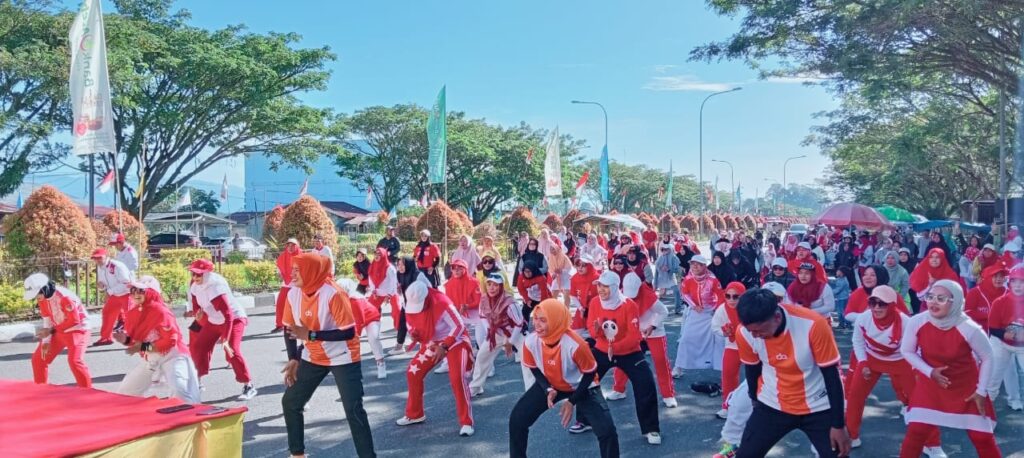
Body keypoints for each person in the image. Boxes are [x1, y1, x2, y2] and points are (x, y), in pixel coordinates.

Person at [734, 288, 851, 458]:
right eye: (751, 331)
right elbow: (752, 369)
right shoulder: (745, 332)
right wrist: (755, 402)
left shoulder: (813, 324)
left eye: (760, 330)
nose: (755, 336)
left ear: (777, 317)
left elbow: (832, 376)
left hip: (818, 406)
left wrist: (839, 424)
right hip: (773, 403)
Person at [281, 253, 377, 458]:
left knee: (353, 411)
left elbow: (349, 332)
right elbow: (289, 329)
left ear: (311, 272)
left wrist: (311, 335)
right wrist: (293, 358)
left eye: (297, 270)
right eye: (293, 269)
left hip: (343, 356)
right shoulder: (293, 294)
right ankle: (297, 454)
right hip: (312, 355)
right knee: (291, 402)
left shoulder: (334, 293)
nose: (292, 273)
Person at [898, 280, 1001, 458]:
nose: (933, 302)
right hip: (931, 385)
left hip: (966, 388)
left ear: (955, 302)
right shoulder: (917, 321)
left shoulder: (969, 328)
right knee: (917, 431)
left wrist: (981, 391)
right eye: (930, 297)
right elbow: (906, 351)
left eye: (941, 298)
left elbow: (988, 356)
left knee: (982, 438)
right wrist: (930, 372)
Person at [509, 298, 619, 458]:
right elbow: (533, 367)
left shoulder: (576, 344)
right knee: (517, 420)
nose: (537, 325)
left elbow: (589, 374)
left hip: (582, 386)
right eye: (536, 319)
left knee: (607, 431)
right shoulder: (531, 341)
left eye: (543, 320)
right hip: (552, 383)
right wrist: (547, 388)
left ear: (555, 321)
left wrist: (572, 401)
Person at [846, 286, 942, 453]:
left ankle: (932, 444)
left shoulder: (905, 322)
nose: (876, 308)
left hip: (901, 360)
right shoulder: (863, 318)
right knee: (855, 396)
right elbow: (858, 341)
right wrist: (862, 363)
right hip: (872, 359)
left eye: (882, 304)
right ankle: (851, 436)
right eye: (872, 303)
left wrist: (919, 370)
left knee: (919, 400)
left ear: (891, 305)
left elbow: (915, 349)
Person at [572, 271, 661, 445]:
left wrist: (615, 347)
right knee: (587, 380)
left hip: (629, 351)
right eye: (599, 285)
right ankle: (583, 420)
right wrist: (597, 331)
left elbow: (634, 335)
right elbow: (591, 328)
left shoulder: (628, 305)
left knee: (646, 383)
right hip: (603, 349)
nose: (601, 290)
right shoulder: (595, 302)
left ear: (613, 288)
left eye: (605, 286)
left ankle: (651, 429)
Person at [396, 279, 476, 437]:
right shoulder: (410, 302)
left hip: (455, 341)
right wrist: (415, 335)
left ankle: (467, 422)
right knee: (413, 373)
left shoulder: (442, 302)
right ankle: (415, 414)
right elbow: (416, 326)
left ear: (426, 298)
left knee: (456, 378)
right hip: (433, 342)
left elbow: (459, 326)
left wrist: (445, 346)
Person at [115, 276, 201, 404]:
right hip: (151, 359)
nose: (135, 294)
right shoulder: (133, 313)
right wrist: (126, 340)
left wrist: (142, 347)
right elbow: (135, 341)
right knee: (126, 391)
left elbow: (169, 342)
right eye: (133, 290)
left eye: (140, 290)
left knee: (180, 392)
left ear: (151, 293)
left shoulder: (161, 311)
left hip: (173, 356)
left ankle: (189, 420)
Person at [186, 259, 256, 400]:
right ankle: (197, 382)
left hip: (234, 319)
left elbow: (229, 315)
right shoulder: (195, 286)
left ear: (207, 274)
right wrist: (197, 312)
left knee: (231, 349)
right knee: (199, 347)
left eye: (199, 274)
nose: (195, 277)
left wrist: (225, 338)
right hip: (214, 320)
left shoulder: (215, 287)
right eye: (193, 274)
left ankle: (248, 385)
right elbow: (195, 303)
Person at [609, 273, 676, 408]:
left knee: (661, 361)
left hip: (654, 331)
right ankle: (618, 389)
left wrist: (653, 325)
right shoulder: (620, 295)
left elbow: (664, 311)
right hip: (633, 331)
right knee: (622, 359)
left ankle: (668, 395)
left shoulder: (648, 294)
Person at [24, 273, 91, 388]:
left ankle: (87, 393)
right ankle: (41, 391)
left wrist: (50, 331)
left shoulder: (64, 297)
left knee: (75, 362)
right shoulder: (42, 298)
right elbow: (47, 319)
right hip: (58, 330)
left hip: (78, 331)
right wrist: (46, 342)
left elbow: (74, 321)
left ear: (44, 289)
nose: (36, 298)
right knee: (39, 359)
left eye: (36, 294)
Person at [470, 273, 526, 396]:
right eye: (489, 284)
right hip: (496, 333)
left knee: (527, 359)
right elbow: (482, 315)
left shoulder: (510, 302)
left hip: (514, 332)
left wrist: (510, 342)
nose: (492, 288)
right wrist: (489, 329)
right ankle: (475, 387)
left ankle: (532, 389)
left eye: (495, 285)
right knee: (482, 357)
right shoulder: (484, 299)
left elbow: (519, 323)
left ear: (501, 286)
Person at [674, 255, 725, 377]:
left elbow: (721, 296)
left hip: (710, 313)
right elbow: (684, 293)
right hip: (695, 312)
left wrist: (717, 311)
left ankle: (723, 368)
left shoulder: (713, 280)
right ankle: (678, 367)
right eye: (692, 264)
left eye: (698, 264)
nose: (694, 266)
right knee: (685, 338)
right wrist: (693, 306)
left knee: (718, 339)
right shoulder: (688, 279)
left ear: (704, 266)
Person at [985, 265, 1024, 411]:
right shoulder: (1000, 302)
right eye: (1015, 282)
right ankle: (986, 412)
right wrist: (1005, 334)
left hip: (1022, 346)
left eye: (1022, 282)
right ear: (1010, 283)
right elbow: (993, 327)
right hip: (1001, 342)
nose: (1018, 285)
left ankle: (1015, 399)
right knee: (994, 377)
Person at [337, 278, 387, 380]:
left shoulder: (355, 299)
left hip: (372, 317)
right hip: (359, 320)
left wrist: (355, 335)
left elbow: (360, 319)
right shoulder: (341, 299)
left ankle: (381, 362)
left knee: (373, 338)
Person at [711, 281, 746, 419]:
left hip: (752, 347)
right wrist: (723, 333)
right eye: (728, 296)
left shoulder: (750, 307)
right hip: (732, 346)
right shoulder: (722, 309)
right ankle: (728, 405)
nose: (731, 300)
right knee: (728, 375)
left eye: (736, 297)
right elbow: (715, 326)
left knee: (757, 377)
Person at [91, 247, 134, 346]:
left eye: (99, 257)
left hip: (126, 293)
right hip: (115, 294)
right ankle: (106, 338)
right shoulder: (100, 267)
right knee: (107, 313)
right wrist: (101, 286)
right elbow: (104, 283)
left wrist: (109, 292)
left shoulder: (117, 266)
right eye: (95, 258)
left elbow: (126, 283)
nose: (97, 260)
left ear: (106, 256)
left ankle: (135, 337)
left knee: (131, 316)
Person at [445, 258, 485, 349]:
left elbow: (479, 301)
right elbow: (448, 303)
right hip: (460, 314)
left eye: (459, 268)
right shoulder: (449, 284)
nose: (456, 270)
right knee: (459, 339)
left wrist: (467, 306)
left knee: (481, 340)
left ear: (465, 269)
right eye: (453, 268)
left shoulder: (474, 282)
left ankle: (483, 359)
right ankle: (466, 356)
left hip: (476, 314)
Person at [389, 257, 419, 356]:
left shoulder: (417, 274)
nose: (400, 267)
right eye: (398, 265)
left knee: (420, 326)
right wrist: (399, 290)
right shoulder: (399, 274)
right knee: (402, 322)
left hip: (419, 304)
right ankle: (399, 345)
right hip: (407, 302)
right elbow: (402, 289)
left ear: (408, 264)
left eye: (402, 264)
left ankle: (428, 345)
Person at [965, 264, 1007, 332]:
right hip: (980, 333)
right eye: (995, 276)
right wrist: (989, 315)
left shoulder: (1007, 293)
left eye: (1001, 276)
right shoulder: (975, 292)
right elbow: (967, 313)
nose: (999, 279)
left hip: (1002, 335)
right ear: (987, 277)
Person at [367, 247, 400, 329]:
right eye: (375, 254)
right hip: (378, 292)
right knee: (368, 308)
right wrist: (373, 292)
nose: (377, 256)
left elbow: (394, 283)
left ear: (384, 255)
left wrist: (389, 295)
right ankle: (372, 325)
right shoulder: (372, 265)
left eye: (379, 254)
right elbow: (370, 279)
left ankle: (399, 327)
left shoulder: (390, 268)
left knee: (397, 309)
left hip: (391, 292)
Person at [273, 239, 301, 333]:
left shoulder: (301, 256)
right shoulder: (283, 255)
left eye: (293, 245)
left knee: (297, 306)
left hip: (298, 285)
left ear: (297, 246)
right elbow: (279, 267)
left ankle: (298, 326)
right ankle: (280, 325)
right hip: (286, 284)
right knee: (280, 304)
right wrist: (279, 274)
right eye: (288, 245)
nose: (290, 247)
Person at [517, 262, 551, 333]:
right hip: (530, 297)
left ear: (534, 270)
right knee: (524, 312)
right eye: (525, 271)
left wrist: (542, 304)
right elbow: (521, 289)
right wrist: (527, 299)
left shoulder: (540, 278)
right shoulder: (521, 276)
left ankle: (546, 328)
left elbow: (544, 292)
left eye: (529, 271)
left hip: (541, 298)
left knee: (542, 314)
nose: (527, 273)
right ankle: (524, 328)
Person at [569, 256, 600, 333]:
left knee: (596, 331)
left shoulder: (598, 278)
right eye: (578, 265)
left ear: (590, 266)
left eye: (583, 265)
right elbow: (573, 295)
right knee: (576, 332)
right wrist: (580, 308)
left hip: (596, 309)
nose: (580, 268)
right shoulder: (574, 278)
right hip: (582, 309)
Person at [653, 244, 682, 313]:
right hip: (662, 279)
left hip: (671, 278)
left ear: (670, 250)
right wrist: (655, 283)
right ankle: (656, 310)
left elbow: (678, 270)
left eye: (666, 249)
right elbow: (656, 272)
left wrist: (669, 270)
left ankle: (677, 309)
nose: (664, 251)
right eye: (663, 249)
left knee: (677, 292)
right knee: (658, 295)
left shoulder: (674, 258)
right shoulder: (659, 259)